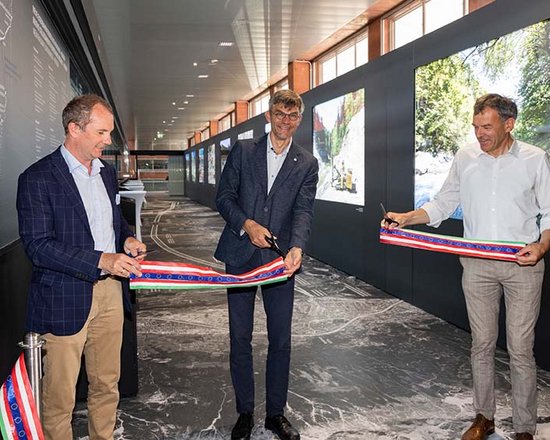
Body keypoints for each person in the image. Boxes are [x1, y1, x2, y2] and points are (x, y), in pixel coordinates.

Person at [384, 94, 550, 440]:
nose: (480, 134)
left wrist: (541, 246)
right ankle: (483, 417)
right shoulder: (466, 158)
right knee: (482, 344)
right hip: (476, 266)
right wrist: (407, 217)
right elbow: (444, 202)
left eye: (487, 127)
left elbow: (549, 212)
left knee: (520, 348)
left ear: (509, 124)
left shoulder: (535, 159)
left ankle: (524, 429)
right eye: (476, 127)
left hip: (523, 265)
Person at [16, 94, 146, 440]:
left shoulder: (105, 174)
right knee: (59, 398)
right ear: (74, 128)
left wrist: (127, 240)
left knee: (107, 383)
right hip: (63, 298)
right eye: (101, 132)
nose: (108, 140)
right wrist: (103, 260)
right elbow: (38, 247)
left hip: (110, 293)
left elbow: (114, 222)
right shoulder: (38, 178)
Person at [215, 89, 318, 440]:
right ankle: (245, 413)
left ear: (298, 120)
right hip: (240, 255)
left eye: (292, 116)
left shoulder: (306, 163)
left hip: (279, 261)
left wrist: (298, 247)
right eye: (279, 114)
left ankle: (276, 414)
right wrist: (247, 224)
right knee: (240, 339)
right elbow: (224, 197)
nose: (285, 121)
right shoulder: (244, 152)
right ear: (268, 116)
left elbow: (304, 210)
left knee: (281, 341)